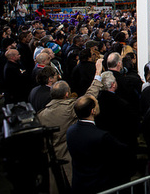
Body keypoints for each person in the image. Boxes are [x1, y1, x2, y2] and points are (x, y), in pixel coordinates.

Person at [37, 58, 103, 193]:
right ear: (67, 94)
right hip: (68, 161)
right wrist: (98, 73)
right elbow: (90, 95)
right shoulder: (68, 109)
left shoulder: (41, 114)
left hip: (51, 162)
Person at [67, 95, 130, 194]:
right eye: (97, 103)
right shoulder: (101, 136)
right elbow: (122, 151)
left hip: (79, 184)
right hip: (99, 185)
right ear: (93, 111)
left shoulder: (70, 131)